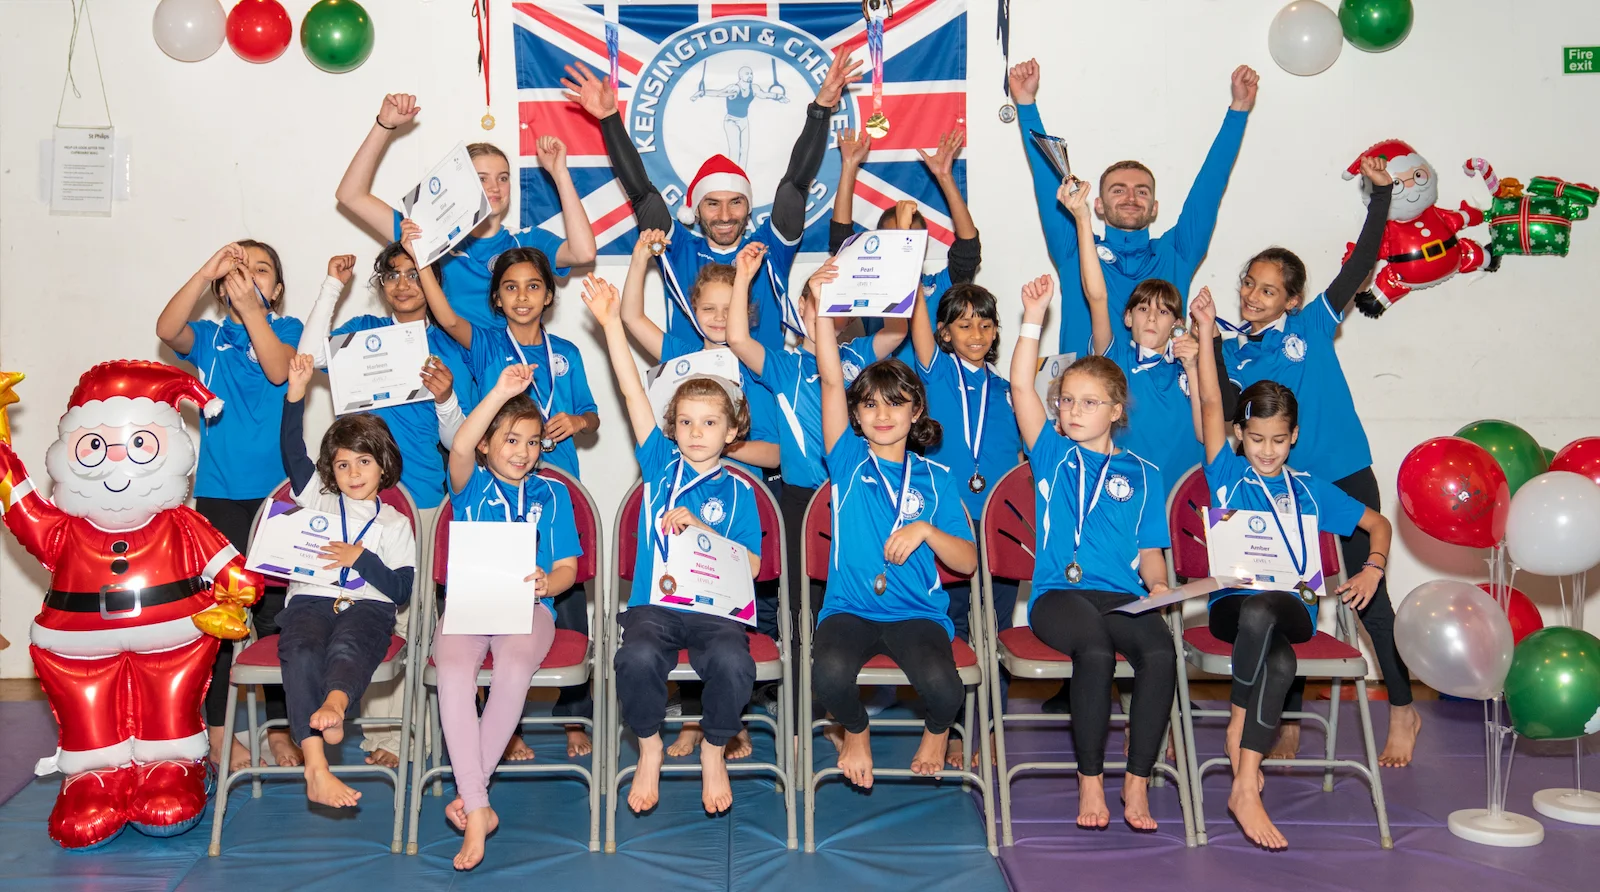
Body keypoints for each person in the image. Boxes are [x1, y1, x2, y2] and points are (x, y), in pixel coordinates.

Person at [1214, 156, 1420, 769]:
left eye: (1268, 289)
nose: (1252, 295)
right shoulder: (1232, 353)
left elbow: (1359, 266)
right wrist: (1198, 349)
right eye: (1248, 283)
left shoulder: (1313, 322)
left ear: (1293, 299)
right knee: (1290, 594)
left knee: (1369, 600)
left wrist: (1378, 197)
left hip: (1343, 477)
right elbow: (1226, 415)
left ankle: (1403, 706)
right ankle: (1289, 717)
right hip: (1279, 486)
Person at [1190, 287, 1394, 850]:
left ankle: (1237, 726)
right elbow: (1211, 402)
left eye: (1279, 440)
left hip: (1298, 605)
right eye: (1256, 439)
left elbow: (1380, 526)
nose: (1268, 450)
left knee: (1273, 616)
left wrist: (1373, 568)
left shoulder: (1310, 490)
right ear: (1239, 436)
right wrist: (1207, 336)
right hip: (1234, 606)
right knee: (1273, 656)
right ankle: (1245, 783)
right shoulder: (1226, 475)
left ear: (1294, 438)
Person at [582, 273, 763, 816]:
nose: (696, 431)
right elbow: (632, 391)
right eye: (685, 422)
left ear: (732, 431)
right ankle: (649, 744)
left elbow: (752, 564)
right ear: (673, 429)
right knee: (633, 657)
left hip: (716, 610)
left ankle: (714, 746)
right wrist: (612, 322)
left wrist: (703, 532)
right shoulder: (661, 467)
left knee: (734, 663)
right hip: (655, 605)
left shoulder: (742, 491)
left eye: (709, 422)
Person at [418, 241, 601, 758]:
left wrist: (578, 421)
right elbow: (447, 316)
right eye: (511, 287)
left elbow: (592, 413)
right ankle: (509, 727)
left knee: (564, 607)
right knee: (493, 603)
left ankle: (573, 721)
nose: (523, 297)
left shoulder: (566, 352)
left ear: (549, 295)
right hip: (492, 482)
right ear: (497, 298)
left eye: (534, 286)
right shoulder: (487, 343)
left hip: (557, 487)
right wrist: (424, 260)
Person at [1008, 274, 1177, 832]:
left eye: (1088, 402)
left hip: (1121, 594)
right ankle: (1090, 782)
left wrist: (1157, 588)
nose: (1073, 411)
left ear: (1115, 410)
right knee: (1097, 652)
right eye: (1067, 401)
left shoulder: (1146, 475)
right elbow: (1020, 389)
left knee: (1159, 654)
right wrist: (1033, 317)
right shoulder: (1053, 454)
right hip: (1060, 594)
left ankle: (1136, 782)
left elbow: (1151, 553)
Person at [296, 238, 470, 769]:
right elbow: (307, 354)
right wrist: (331, 287)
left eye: (414, 273)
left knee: (419, 621)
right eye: (392, 275)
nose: (402, 283)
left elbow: (462, 439)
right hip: (360, 502)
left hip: (426, 504)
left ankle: (426, 735)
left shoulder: (451, 346)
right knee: (375, 619)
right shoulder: (366, 336)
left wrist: (446, 400)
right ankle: (387, 738)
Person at [562, 52, 861, 351]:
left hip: (762, 391)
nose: (725, 215)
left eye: (736, 202)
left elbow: (796, 183)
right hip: (691, 388)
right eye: (712, 203)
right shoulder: (678, 249)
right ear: (695, 210)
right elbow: (641, 193)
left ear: (749, 208)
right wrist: (609, 120)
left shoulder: (770, 247)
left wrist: (821, 107)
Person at [810, 310, 979, 787]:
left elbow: (967, 561)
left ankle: (937, 731)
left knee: (948, 690)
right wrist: (824, 311)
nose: (883, 416)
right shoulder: (846, 461)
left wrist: (926, 530)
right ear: (857, 415)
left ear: (916, 411)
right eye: (869, 406)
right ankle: (856, 729)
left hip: (917, 613)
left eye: (895, 404)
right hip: (850, 608)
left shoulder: (939, 481)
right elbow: (828, 381)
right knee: (827, 677)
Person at [156, 241, 303, 772]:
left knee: (281, 617)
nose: (248, 277)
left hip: (277, 498)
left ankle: (283, 730)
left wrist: (253, 310)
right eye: (238, 272)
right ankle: (219, 736)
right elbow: (167, 328)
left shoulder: (286, 331)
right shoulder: (211, 339)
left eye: (261, 270)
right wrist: (205, 271)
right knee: (224, 619)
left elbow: (279, 371)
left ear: (277, 290)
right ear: (222, 288)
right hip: (220, 496)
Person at [1007, 58, 1258, 354]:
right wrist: (1025, 104)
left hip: (1160, 394)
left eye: (1142, 192)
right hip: (1084, 395)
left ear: (1154, 208)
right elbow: (1048, 179)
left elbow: (1209, 188)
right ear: (1097, 205)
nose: (1130, 198)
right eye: (1118, 190)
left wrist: (1239, 110)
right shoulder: (1075, 248)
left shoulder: (1176, 253)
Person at [435, 365, 580, 870]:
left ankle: (472, 801)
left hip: (528, 608)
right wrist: (498, 391)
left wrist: (549, 583)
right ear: (486, 445)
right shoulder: (469, 484)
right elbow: (457, 446)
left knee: (515, 670)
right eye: (511, 439)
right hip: (469, 606)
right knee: (454, 673)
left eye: (533, 442)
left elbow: (568, 568)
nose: (523, 451)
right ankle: (478, 807)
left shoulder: (553, 494)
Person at [724, 257, 906, 650]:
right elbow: (738, 339)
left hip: (856, 496)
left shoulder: (859, 355)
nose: (824, 308)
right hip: (800, 499)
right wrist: (742, 276)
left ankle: (836, 689)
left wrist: (881, 278)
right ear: (801, 307)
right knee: (796, 602)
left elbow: (897, 329)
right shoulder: (783, 365)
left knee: (848, 598)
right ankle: (794, 691)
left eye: (834, 304)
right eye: (816, 300)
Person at [277, 355, 416, 810]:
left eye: (363, 462)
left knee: (349, 647)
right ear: (329, 472)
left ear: (383, 465)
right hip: (311, 601)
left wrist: (362, 559)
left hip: (369, 607)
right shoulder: (316, 496)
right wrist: (295, 394)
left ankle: (334, 705)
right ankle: (316, 767)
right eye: (342, 465)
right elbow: (292, 450)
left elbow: (400, 590)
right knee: (300, 649)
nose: (353, 474)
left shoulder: (395, 523)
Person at [335, 93, 597, 331]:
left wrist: (560, 174)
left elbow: (583, 252)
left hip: (507, 368)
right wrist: (384, 125)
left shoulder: (524, 241)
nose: (495, 187)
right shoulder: (426, 233)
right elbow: (350, 195)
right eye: (482, 178)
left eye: (503, 178)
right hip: (448, 370)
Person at [1065, 178, 1202, 503]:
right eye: (1143, 308)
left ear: (1177, 323)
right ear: (1127, 317)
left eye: (1164, 311)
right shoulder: (1113, 361)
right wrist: (1084, 221)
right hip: (1126, 496)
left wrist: (1196, 366)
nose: (1152, 317)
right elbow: (1096, 295)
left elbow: (1206, 429)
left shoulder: (1188, 364)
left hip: (1186, 498)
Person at [832, 128, 982, 359]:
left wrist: (945, 176)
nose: (905, 243)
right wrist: (849, 167)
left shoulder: (938, 287)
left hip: (931, 391)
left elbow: (968, 249)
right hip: (882, 390)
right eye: (896, 237)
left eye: (912, 239)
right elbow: (841, 243)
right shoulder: (867, 282)